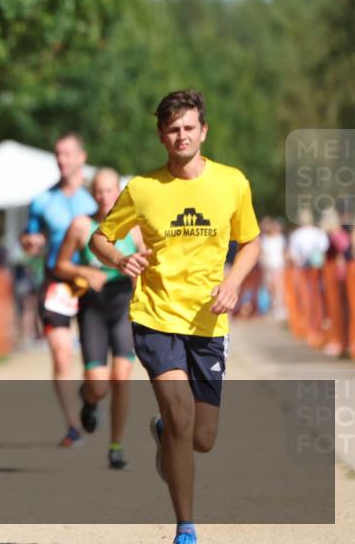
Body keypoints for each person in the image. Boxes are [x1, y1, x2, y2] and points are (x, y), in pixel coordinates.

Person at [90, 89, 260, 544]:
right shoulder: (142, 189)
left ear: (203, 131)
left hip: (208, 321)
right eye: (172, 129)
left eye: (188, 127)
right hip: (156, 315)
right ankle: (186, 527)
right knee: (183, 415)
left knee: (201, 437)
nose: (181, 135)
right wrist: (119, 260)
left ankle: (165, 432)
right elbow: (101, 239)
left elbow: (251, 242)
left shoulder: (233, 183)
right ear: (162, 136)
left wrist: (234, 283)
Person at [53, 168, 143, 469]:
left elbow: (149, 262)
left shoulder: (134, 228)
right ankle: (89, 398)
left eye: (109, 190)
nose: (104, 196)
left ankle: (116, 447)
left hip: (123, 307)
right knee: (99, 385)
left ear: (119, 191)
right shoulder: (81, 226)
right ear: (92, 194)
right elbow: (60, 265)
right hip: (92, 308)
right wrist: (85, 271)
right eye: (99, 191)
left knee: (121, 378)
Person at [21, 132, 98, 447]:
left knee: (96, 366)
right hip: (56, 282)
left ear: (82, 157)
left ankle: (90, 397)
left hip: (94, 281)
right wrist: (30, 243)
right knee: (61, 354)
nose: (62, 160)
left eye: (68, 154)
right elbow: (28, 238)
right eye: (58, 154)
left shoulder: (96, 199)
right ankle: (73, 426)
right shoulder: (42, 201)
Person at [258, 217, 286, 322]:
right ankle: (272, 309)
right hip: (267, 267)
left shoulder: (280, 239)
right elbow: (262, 254)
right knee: (270, 289)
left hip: (278, 266)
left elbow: (283, 252)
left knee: (278, 288)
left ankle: (279, 309)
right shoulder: (265, 239)